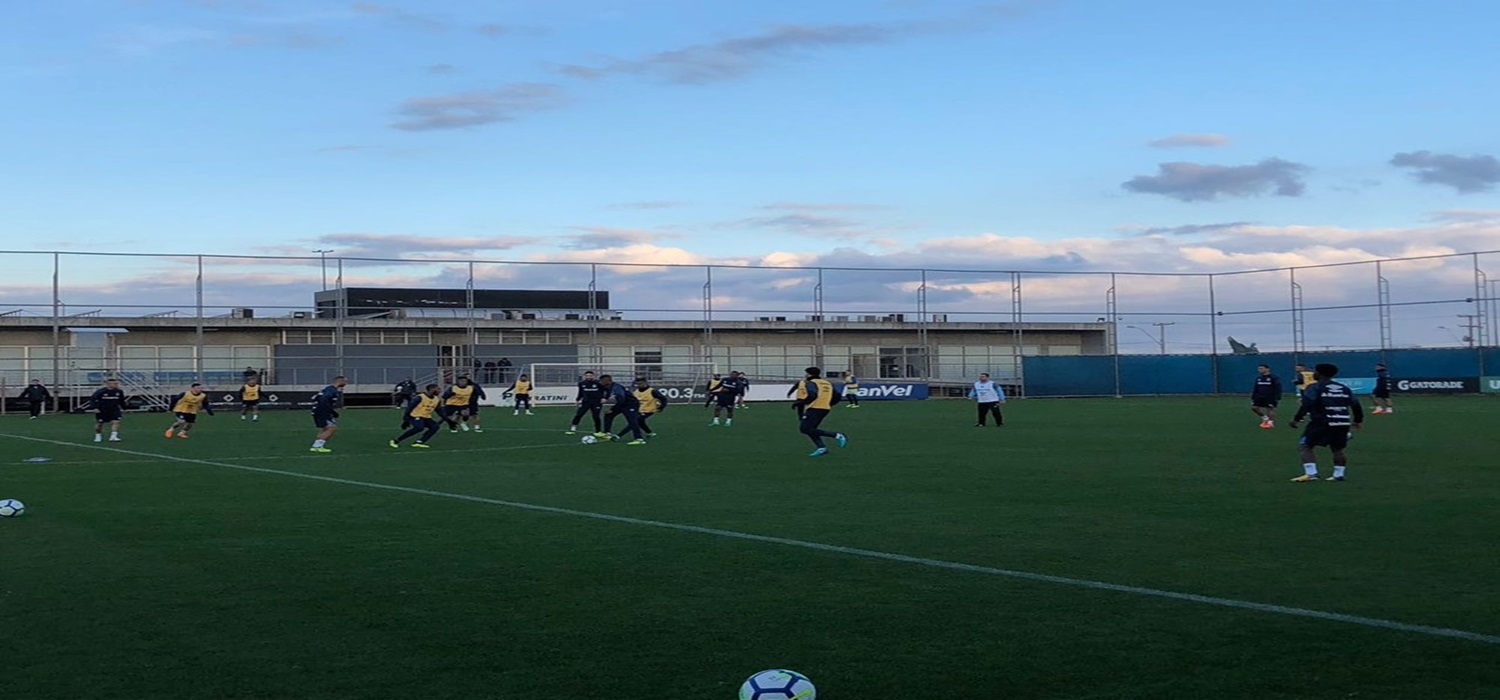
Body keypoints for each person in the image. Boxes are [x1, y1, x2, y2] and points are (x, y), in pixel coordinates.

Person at [1289, 363, 1364, 482]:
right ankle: (1338, 474)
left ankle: (1311, 473)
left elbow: (1307, 404)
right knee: (1337, 449)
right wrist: (1357, 421)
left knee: (1305, 445)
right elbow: (1356, 404)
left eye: (1315, 371)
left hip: (1322, 421)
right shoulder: (1343, 388)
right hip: (1342, 422)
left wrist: (1296, 419)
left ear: (1318, 373)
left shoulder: (1314, 387)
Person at [793, 366, 847, 457]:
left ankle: (837, 435)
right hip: (825, 408)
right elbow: (837, 396)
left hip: (814, 408)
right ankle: (821, 448)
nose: (805, 375)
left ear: (809, 374)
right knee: (811, 429)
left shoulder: (811, 383)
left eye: (806, 373)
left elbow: (812, 395)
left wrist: (800, 402)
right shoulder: (827, 383)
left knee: (804, 429)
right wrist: (828, 404)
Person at [389, 384, 443, 448]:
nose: (440, 390)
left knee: (435, 426)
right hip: (415, 416)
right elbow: (409, 408)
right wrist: (406, 420)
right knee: (419, 428)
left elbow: (439, 411)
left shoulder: (437, 399)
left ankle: (419, 442)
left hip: (426, 417)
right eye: (438, 389)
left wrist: (449, 421)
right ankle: (395, 440)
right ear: (431, 389)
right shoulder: (420, 397)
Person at [599, 374, 646, 445]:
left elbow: (621, 399)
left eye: (602, 381)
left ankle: (639, 439)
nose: (601, 382)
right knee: (608, 415)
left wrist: (613, 409)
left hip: (631, 404)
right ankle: (607, 433)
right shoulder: (608, 387)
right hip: (622, 404)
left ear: (608, 381)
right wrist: (605, 398)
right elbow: (609, 394)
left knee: (632, 421)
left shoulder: (617, 387)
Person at [309, 376, 347, 453]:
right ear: (340, 381)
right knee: (331, 428)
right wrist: (332, 412)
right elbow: (324, 400)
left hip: (319, 411)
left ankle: (316, 446)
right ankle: (318, 446)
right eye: (345, 381)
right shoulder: (331, 390)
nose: (346, 383)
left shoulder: (327, 389)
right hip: (322, 412)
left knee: (325, 429)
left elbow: (317, 398)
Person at [85, 377, 126, 443]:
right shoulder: (101, 391)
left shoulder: (119, 391)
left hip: (114, 409)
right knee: (100, 423)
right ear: (108, 384)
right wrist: (95, 408)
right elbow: (93, 399)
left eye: (117, 383)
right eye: (114, 384)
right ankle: (98, 435)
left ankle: (113, 436)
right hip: (102, 410)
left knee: (116, 421)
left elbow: (121, 401)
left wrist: (124, 408)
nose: (116, 385)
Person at [568, 371, 605, 436]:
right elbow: (580, 392)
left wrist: (603, 398)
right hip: (585, 402)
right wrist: (577, 400)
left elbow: (604, 391)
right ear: (585, 376)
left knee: (596, 416)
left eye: (590, 376)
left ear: (593, 376)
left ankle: (598, 431)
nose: (589, 377)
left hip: (596, 402)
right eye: (587, 376)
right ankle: (573, 429)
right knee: (579, 415)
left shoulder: (598, 383)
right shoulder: (582, 383)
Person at [1250, 364, 1283, 429]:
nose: (1259, 370)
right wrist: (1253, 396)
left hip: (1270, 397)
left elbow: (1278, 387)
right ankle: (1265, 418)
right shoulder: (1259, 378)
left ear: (1267, 369)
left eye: (1261, 368)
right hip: (1259, 396)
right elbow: (1256, 388)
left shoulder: (1274, 378)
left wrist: (1277, 397)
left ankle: (1270, 423)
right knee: (1254, 408)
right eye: (1259, 369)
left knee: (1270, 409)